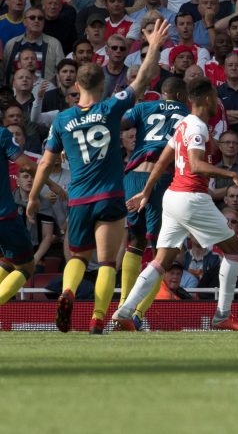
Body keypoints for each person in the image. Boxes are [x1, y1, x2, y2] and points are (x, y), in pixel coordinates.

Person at [27, 19, 169, 334]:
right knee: (107, 263)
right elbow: (143, 78)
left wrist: (35, 196)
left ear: (75, 85)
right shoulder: (110, 108)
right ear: (102, 82)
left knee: (78, 256)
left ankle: (67, 292)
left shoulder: (63, 119)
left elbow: (46, 163)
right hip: (109, 196)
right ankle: (98, 318)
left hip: (78, 198)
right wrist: (154, 44)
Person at [112, 76, 238, 331]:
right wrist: (233, 175)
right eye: (214, 97)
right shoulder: (196, 126)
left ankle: (124, 312)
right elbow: (196, 165)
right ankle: (223, 315)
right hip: (191, 198)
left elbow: (161, 162)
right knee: (234, 250)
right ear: (205, 99)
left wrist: (146, 191)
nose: (217, 103)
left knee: (161, 260)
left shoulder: (184, 125)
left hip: (172, 198)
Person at [115, 76, 190, 330]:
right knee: (163, 252)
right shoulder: (189, 114)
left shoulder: (144, 107)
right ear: (181, 96)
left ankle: (123, 304)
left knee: (134, 242)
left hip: (134, 176)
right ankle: (136, 313)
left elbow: (118, 123)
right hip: (164, 178)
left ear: (161, 94)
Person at [0, 126, 65, 307]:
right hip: (4, 217)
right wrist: (50, 184)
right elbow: (27, 165)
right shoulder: (1, 134)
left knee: (9, 259)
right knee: (27, 266)